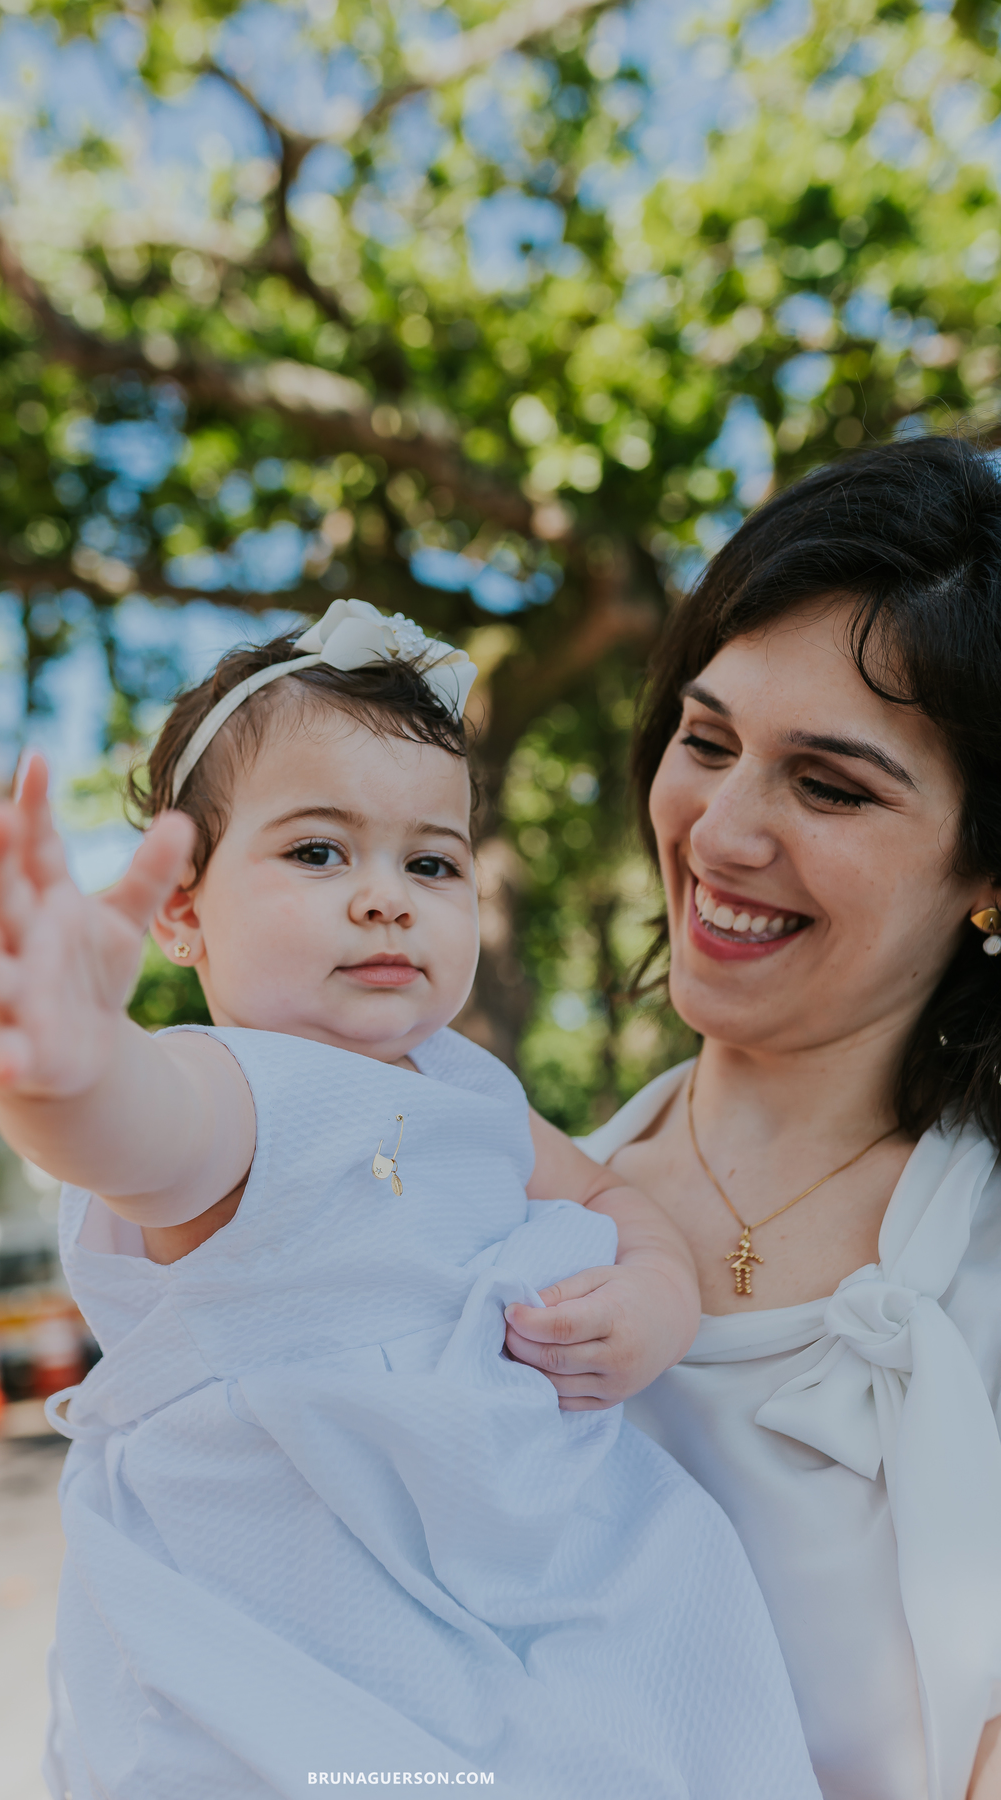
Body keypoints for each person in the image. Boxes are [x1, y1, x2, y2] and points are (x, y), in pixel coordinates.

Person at [0, 600, 819, 1800]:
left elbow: (611, 1190)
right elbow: (134, 1128)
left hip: (500, 1589)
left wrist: (658, 1289)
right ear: (183, 910)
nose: (385, 896)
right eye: (317, 852)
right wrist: (63, 1064)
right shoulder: (234, 1091)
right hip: (301, 1645)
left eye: (431, 862)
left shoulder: (472, 1093)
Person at [503, 436, 1001, 1800]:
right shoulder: (514, 1215)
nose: (721, 831)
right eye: (706, 740)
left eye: (829, 785)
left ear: (988, 872)